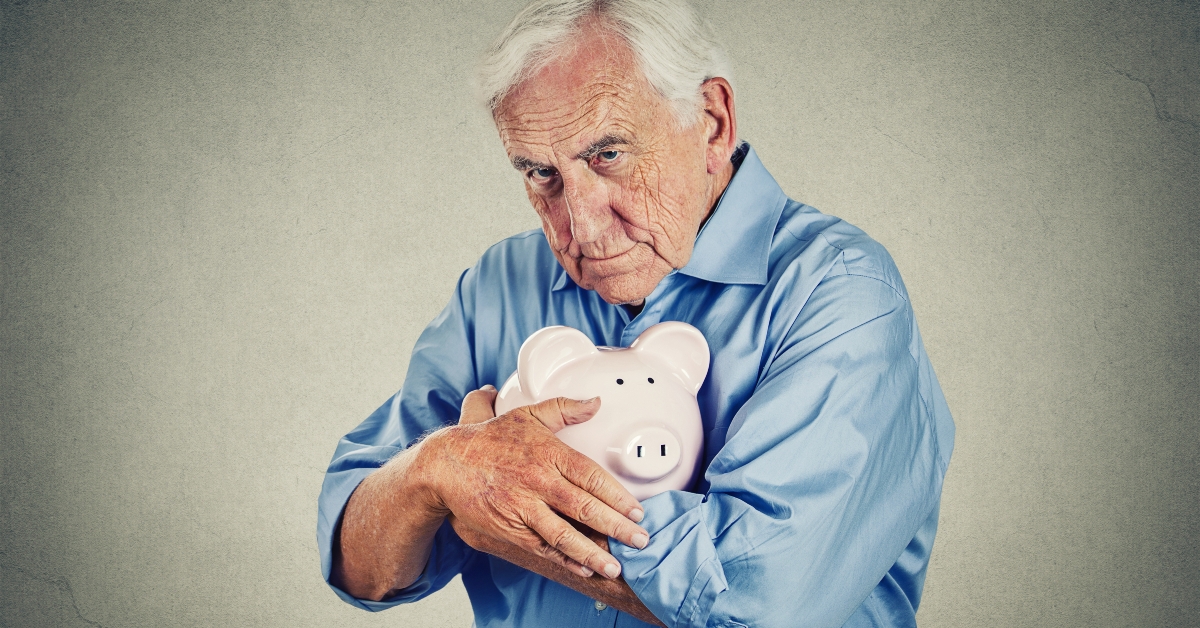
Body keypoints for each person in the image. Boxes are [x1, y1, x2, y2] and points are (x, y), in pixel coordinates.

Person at [317, 0, 955, 626]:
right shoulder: (499, 284)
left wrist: (508, 506)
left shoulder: (840, 291)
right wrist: (437, 469)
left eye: (608, 154)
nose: (581, 224)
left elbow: (756, 601)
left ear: (712, 121)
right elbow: (357, 562)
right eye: (541, 172)